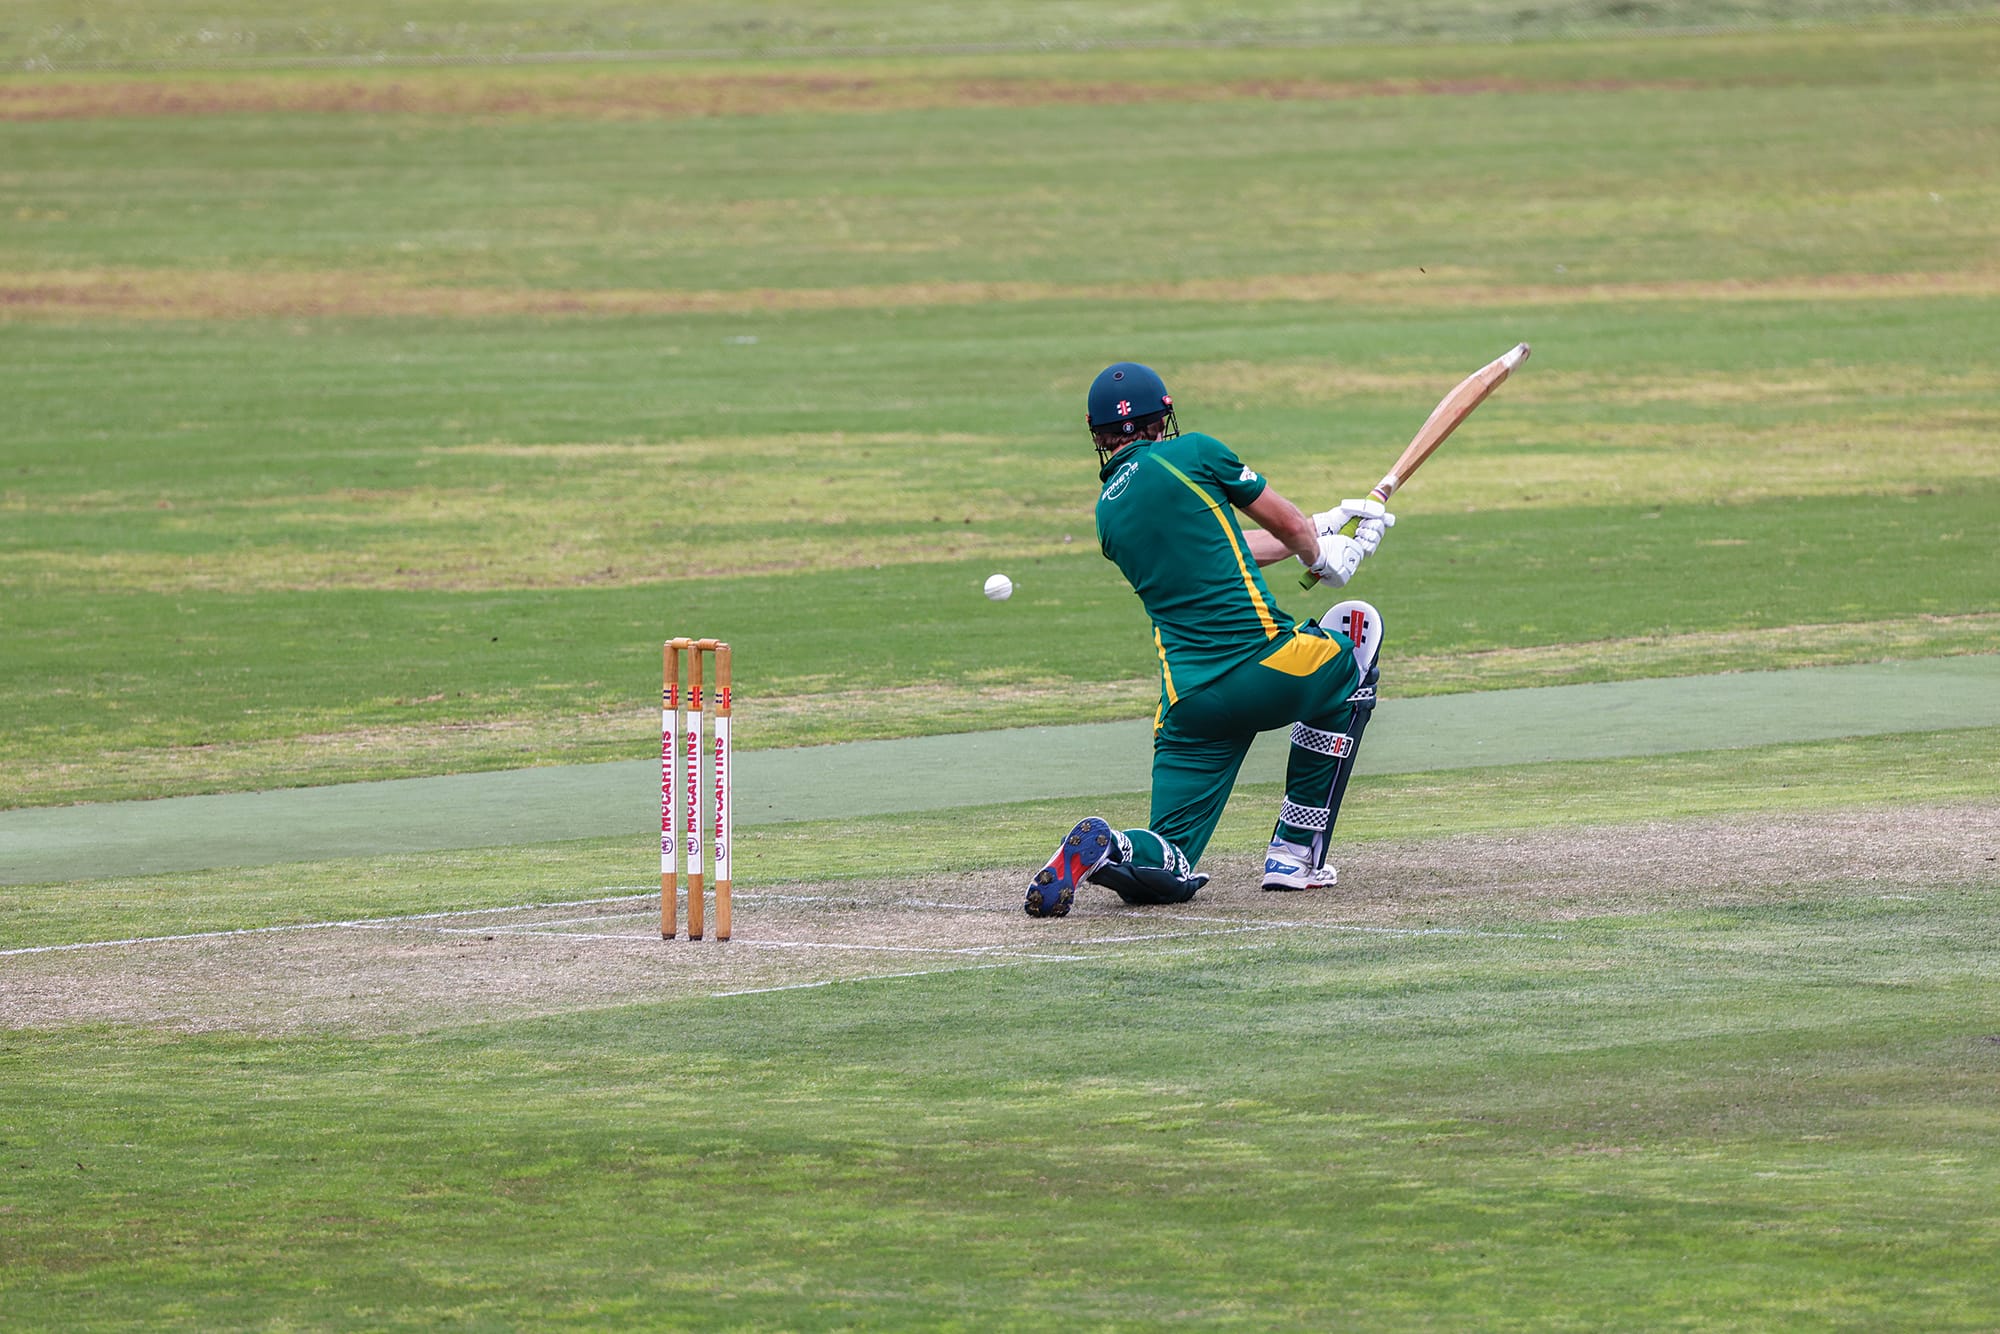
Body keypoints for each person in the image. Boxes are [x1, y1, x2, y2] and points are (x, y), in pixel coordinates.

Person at [1024, 361, 1392, 918]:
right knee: (1353, 645)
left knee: (1169, 861)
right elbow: (1281, 525)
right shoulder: (1194, 452)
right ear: (1161, 419)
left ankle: (1112, 847)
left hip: (1188, 705)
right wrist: (1323, 555)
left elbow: (1228, 547)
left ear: (1099, 435)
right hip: (1266, 665)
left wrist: (1321, 525)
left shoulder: (1108, 515)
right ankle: (1295, 853)